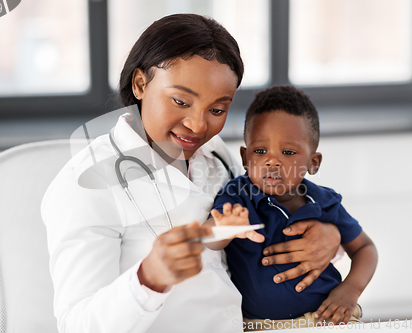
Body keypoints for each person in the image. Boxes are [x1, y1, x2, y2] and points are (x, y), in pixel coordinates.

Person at [41, 14, 342, 333]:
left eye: (217, 110)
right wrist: (148, 280)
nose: (198, 126)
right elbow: (77, 324)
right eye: (181, 101)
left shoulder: (217, 156)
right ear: (141, 84)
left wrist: (328, 237)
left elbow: (268, 222)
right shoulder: (87, 183)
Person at [206, 85, 378, 331]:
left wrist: (350, 290)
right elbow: (208, 239)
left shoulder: (325, 202)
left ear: (313, 162)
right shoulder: (237, 196)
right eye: (260, 150)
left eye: (287, 152)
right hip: (259, 325)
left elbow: (365, 248)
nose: (272, 160)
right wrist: (223, 227)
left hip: (326, 317)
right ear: (245, 158)